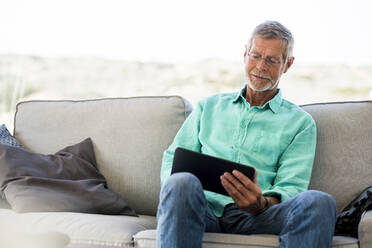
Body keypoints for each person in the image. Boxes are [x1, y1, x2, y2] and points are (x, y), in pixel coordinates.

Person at [156, 20, 337, 248]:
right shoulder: (208, 107)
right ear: (245, 54)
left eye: (272, 60)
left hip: (258, 216)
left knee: (319, 202)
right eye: (255, 56)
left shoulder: (300, 123)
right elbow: (172, 160)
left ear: (287, 65)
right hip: (203, 209)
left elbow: (292, 187)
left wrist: (260, 204)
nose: (260, 66)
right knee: (180, 181)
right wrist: (181, 193)